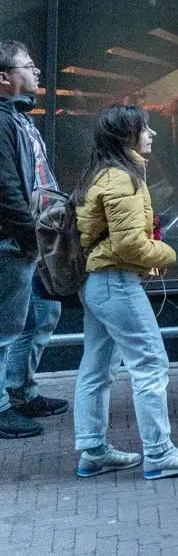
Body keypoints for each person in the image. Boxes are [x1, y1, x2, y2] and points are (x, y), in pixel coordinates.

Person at [73, 104, 178, 479]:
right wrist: (168, 253)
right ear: (127, 137)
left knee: (96, 368)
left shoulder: (101, 173)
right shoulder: (122, 179)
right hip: (116, 282)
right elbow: (130, 244)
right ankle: (159, 453)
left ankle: (93, 451)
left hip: (97, 281)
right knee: (150, 364)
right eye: (145, 129)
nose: (152, 134)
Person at [0, 41, 65, 440]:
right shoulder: (3, 121)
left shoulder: (18, 117)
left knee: (40, 315)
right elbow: (6, 188)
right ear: (3, 77)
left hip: (31, 237)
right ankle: (4, 405)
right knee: (6, 327)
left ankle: (20, 392)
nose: (36, 72)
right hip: (16, 240)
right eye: (27, 66)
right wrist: (31, 235)